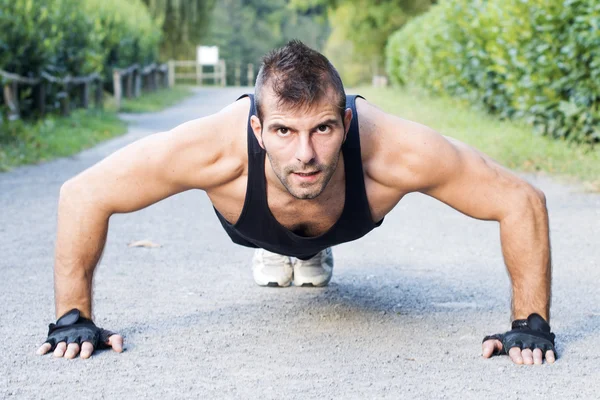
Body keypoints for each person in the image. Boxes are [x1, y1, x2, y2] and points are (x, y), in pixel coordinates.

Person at [37, 40, 556, 365]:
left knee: (311, 208)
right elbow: (84, 193)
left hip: (345, 218)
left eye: (324, 128)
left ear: (346, 122)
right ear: (257, 128)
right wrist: (72, 320)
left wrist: (530, 327)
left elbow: (521, 200)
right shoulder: (211, 146)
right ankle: (284, 250)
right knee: (286, 213)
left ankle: (309, 250)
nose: (305, 153)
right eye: (284, 131)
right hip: (251, 222)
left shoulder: (398, 150)